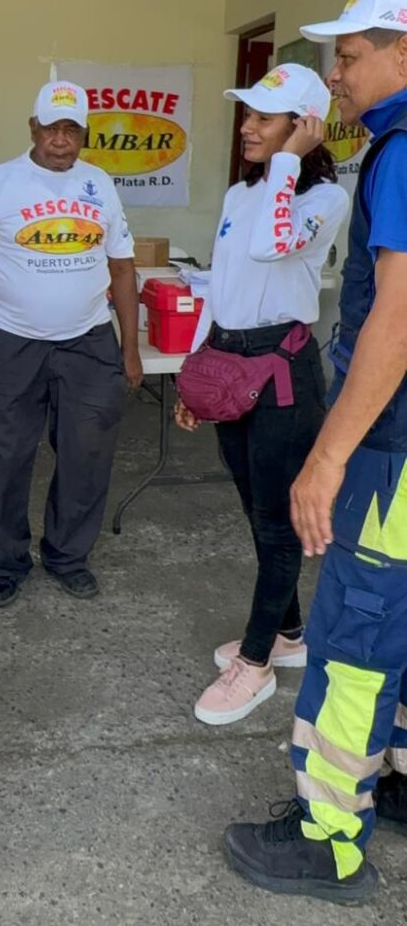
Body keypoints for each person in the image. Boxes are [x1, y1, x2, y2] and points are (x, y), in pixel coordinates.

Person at [225, 0, 407, 905]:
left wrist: (328, 457)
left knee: (352, 637)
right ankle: (399, 776)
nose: (335, 73)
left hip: (391, 451)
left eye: (352, 53)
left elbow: (396, 321)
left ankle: (331, 837)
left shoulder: (399, 154)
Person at [176, 64, 349, 725]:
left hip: (281, 373)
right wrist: (196, 373)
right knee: (257, 512)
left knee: (277, 526)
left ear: (303, 127)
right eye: (246, 114)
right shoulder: (240, 192)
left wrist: (290, 162)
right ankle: (290, 635)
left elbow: (278, 244)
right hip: (229, 365)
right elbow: (220, 288)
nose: (246, 127)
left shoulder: (323, 199)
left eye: (263, 118)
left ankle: (254, 665)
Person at [0, 80, 143, 608]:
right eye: (51, 128)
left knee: (87, 454)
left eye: (72, 130)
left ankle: (67, 556)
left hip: (89, 342)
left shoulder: (100, 184)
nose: (61, 139)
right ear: (33, 128)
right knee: (6, 456)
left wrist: (129, 348)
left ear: (83, 134)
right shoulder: (0, 184)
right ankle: (7, 562)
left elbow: (122, 269)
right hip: (14, 342)